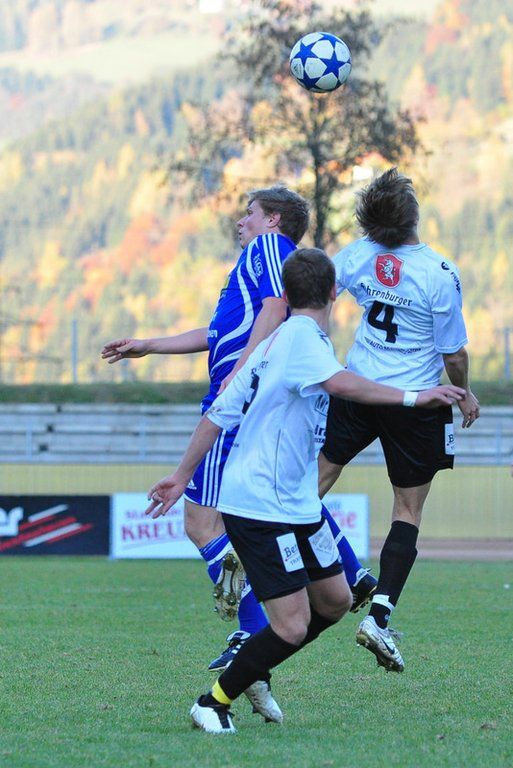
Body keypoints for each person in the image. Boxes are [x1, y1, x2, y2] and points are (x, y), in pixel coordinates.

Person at [144, 248, 466, 733]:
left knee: (335, 600)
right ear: (335, 292)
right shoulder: (300, 341)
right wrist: (414, 396)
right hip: (261, 505)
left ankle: (252, 665)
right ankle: (213, 702)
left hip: (296, 504)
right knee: (292, 624)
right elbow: (343, 385)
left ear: (288, 294)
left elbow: (218, 412)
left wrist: (181, 475)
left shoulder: (278, 341)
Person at [101, 186, 374, 718]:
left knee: (203, 523)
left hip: (235, 399)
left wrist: (244, 373)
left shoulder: (269, 249)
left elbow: (276, 305)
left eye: (250, 212)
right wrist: (151, 345)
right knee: (269, 496)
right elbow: (218, 332)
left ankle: (251, 631)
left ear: (273, 219)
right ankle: (342, 573)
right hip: (244, 396)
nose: (241, 221)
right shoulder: (250, 271)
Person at [318, 168, 480, 673]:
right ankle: (379, 618)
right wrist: (464, 392)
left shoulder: (359, 254)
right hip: (416, 401)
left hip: (360, 388)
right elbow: (454, 354)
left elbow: (320, 291)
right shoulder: (438, 272)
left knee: (312, 484)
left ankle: (271, 553)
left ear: (370, 223)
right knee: (407, 510)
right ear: (414, 217)